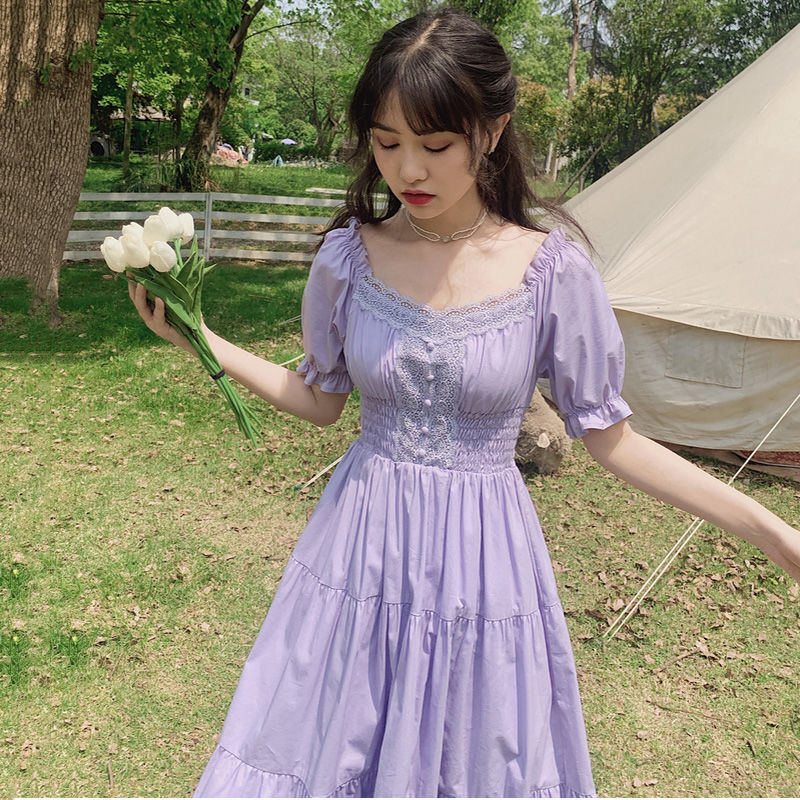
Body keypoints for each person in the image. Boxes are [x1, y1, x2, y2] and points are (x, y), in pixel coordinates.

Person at [128, 7, 800, 797]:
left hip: (484, 566)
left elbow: (612, 439)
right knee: (330, 753)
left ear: (492, 130)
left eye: (435, 145)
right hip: (360, 551)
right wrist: (203, 338)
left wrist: (774, 533)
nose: (407, 170)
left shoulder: (551, 270)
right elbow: (319, 400)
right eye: (387, 143)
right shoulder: (350, 256)